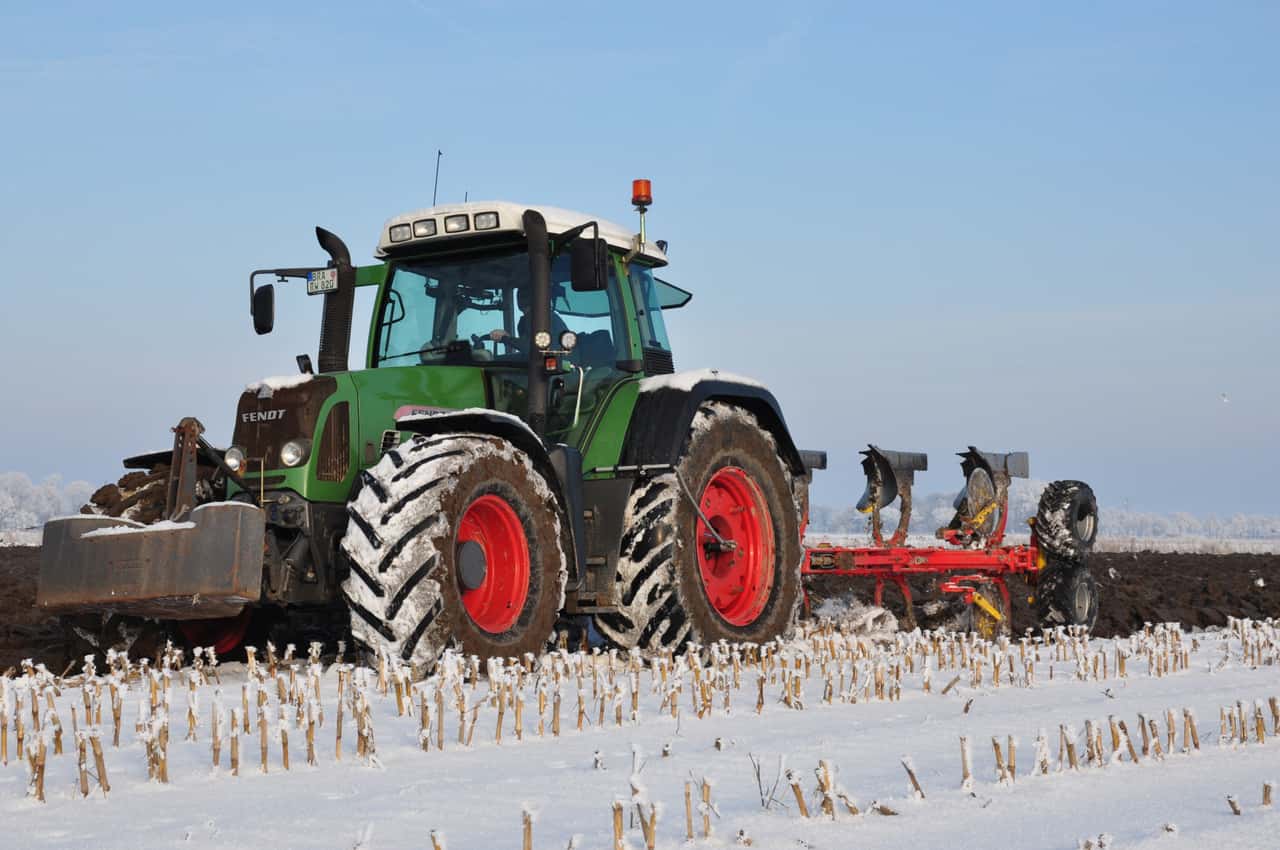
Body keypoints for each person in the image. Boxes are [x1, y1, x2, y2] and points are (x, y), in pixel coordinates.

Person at [489, 285, 569, 355]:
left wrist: (504, 338)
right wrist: (508, 338)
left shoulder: (536, 316)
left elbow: (530, 347)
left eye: (522, 296)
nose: (519, 298)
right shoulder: (546, 315)